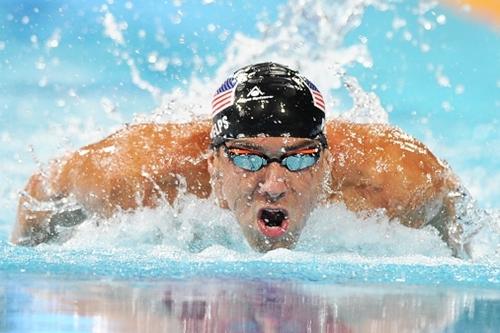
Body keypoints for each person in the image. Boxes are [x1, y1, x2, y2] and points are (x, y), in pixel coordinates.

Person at [12, 62, 468, 256]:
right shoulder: (134, 176)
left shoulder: (397, 181)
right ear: (212, 164)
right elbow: (40, 192)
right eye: (249, 160)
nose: (273, 184)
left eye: (298, 159)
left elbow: (456, 213)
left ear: (327, 163)